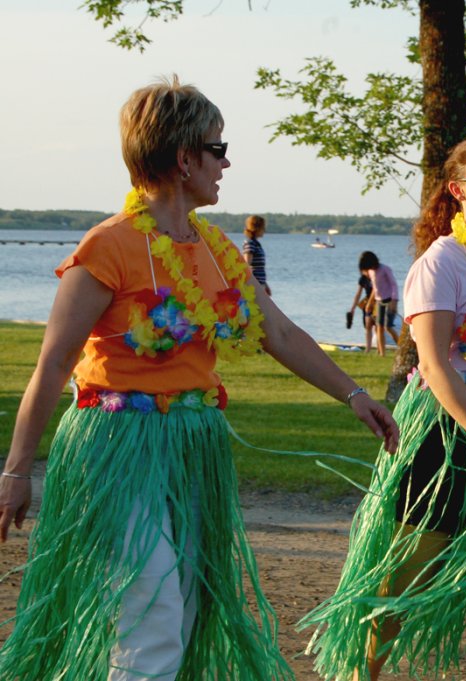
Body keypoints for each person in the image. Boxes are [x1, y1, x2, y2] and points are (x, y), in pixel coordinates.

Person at [0, 75, 399, 680]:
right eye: (217, 148)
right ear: (184, 158)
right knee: (150, 608)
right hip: (117, 447)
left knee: (182, 609)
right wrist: (16, 471)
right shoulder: (107, 247)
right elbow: (54, 364)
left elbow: (283, 335)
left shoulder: (215, 249)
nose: (227, 162)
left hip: (194, 444)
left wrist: (355, 394)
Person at [300, 137, 466, 681]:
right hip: (447, 436)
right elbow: (437, 368)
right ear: (457, 189)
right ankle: (360, 673)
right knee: (404, 584)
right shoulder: (441, 261)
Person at [358, 251, 402, 356]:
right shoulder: (371, 272)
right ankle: (382, 354)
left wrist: (394, 301)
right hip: (379, 302)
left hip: (389, 301)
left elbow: (394, 285)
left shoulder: (385, 269)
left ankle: (401, 348)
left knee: (388, 327)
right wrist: (369, 303)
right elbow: (375, 289)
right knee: (379, 327)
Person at [347, 270, 375, 352]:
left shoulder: (375, 276)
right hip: (367, 303)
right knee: (367, 326)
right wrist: (352, 309)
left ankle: (379, 350)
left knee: (378, 326)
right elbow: (358, 294)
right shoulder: (363, 278)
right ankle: (368, 349)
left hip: (377, 301)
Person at [242, 214, 271, 295]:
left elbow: (259, 268)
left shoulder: (256, 243)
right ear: (257, 228)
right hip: (254, 285)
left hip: (260, 283)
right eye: (263, 228)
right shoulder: (250, 243)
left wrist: (265, 285)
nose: (264, 230)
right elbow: (246, 264)